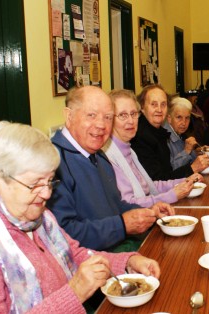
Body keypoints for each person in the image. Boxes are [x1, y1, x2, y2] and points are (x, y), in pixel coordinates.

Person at [0, 121, 160, 313]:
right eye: (35, 184)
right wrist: (75, 293)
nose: (46, 194)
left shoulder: (30, 209)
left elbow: (73, 254)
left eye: (50, 181)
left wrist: (127, 263)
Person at [47, 86, 175, 251]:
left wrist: (148, 211)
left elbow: (115, 205)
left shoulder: (99, 155)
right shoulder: (52, 163)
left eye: (107, 117)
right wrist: (122, 225)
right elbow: (63, 235)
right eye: (91, 115)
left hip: (118, 248)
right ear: (69, 115)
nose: (101, 125)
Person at [103, 90, 202, 207]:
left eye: (134, 114)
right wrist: (172, 195)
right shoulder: (108, 156)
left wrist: (184, 181)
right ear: (108, 119)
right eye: (123, 115)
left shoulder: (128, 149)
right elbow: (128, 204)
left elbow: (149, 186)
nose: (130, 121)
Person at [131, 84, 209, 180]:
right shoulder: (140, 137)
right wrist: (192, 168)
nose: (159, 109)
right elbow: (157, 181)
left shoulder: (159, 131)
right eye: (154, 104)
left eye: (163, 104)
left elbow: (168, 171)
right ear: (142, 107)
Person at [163, 97, 202, 170]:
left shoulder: (182, 134)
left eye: (187, 118)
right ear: (169, 118)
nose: (184, 123)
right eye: (179, 117)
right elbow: (170, 170)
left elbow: (193, 162)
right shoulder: (164, 138)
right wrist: (186, 151)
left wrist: (198, 151)